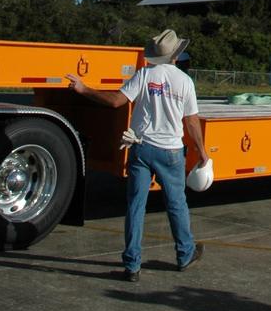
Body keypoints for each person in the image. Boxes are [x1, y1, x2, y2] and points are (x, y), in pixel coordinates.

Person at [67, 28, 209, 281]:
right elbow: (192, 122)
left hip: (141, 147)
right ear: (176, 55)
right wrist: (202, 152)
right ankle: (185, 254)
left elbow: (115, 102)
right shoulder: (185, 82)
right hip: (171, 151)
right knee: (176, 203)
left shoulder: (143, 75)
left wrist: (84, 89)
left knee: (135, 205)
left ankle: (132, 265)